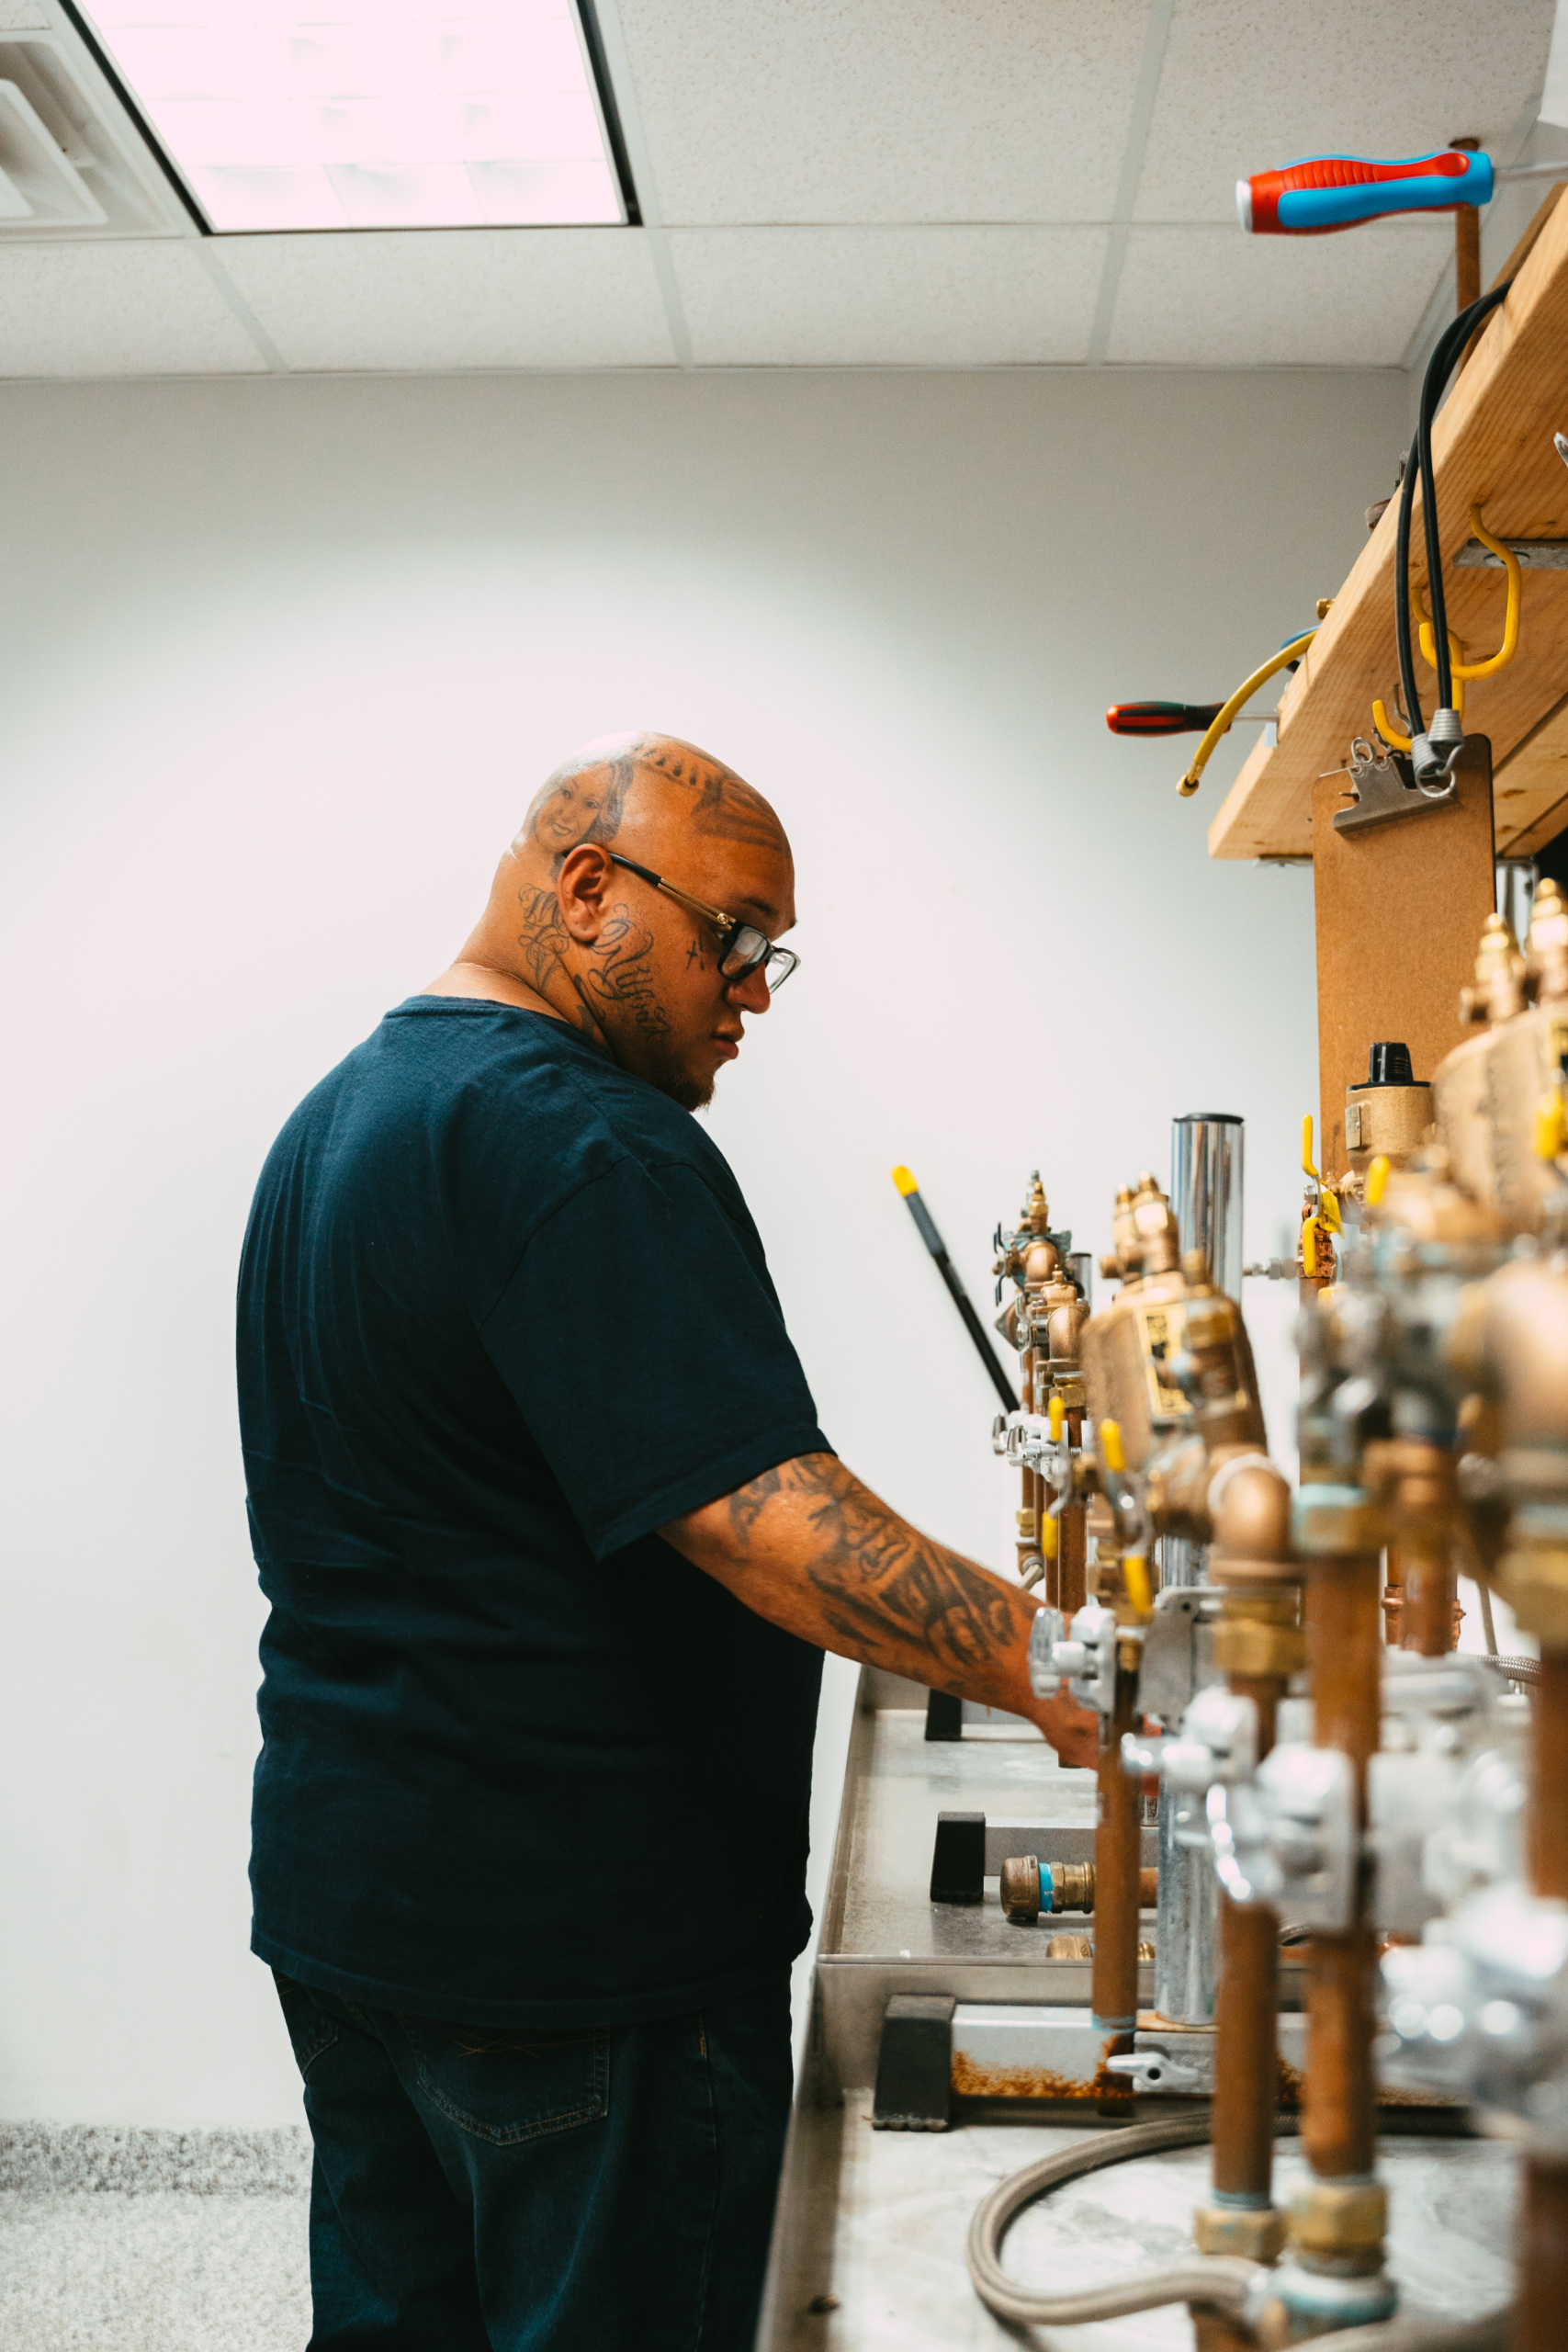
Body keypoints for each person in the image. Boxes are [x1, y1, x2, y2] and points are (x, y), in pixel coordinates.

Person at [237, 729, 1097, 2352]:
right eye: (737, 937)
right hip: (578, 1958)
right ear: (587, 893)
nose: (758, 988)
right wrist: (1069, 1672)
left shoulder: (343, 1113)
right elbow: (762, 1516)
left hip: (358, 1910)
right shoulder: (584, 1141)